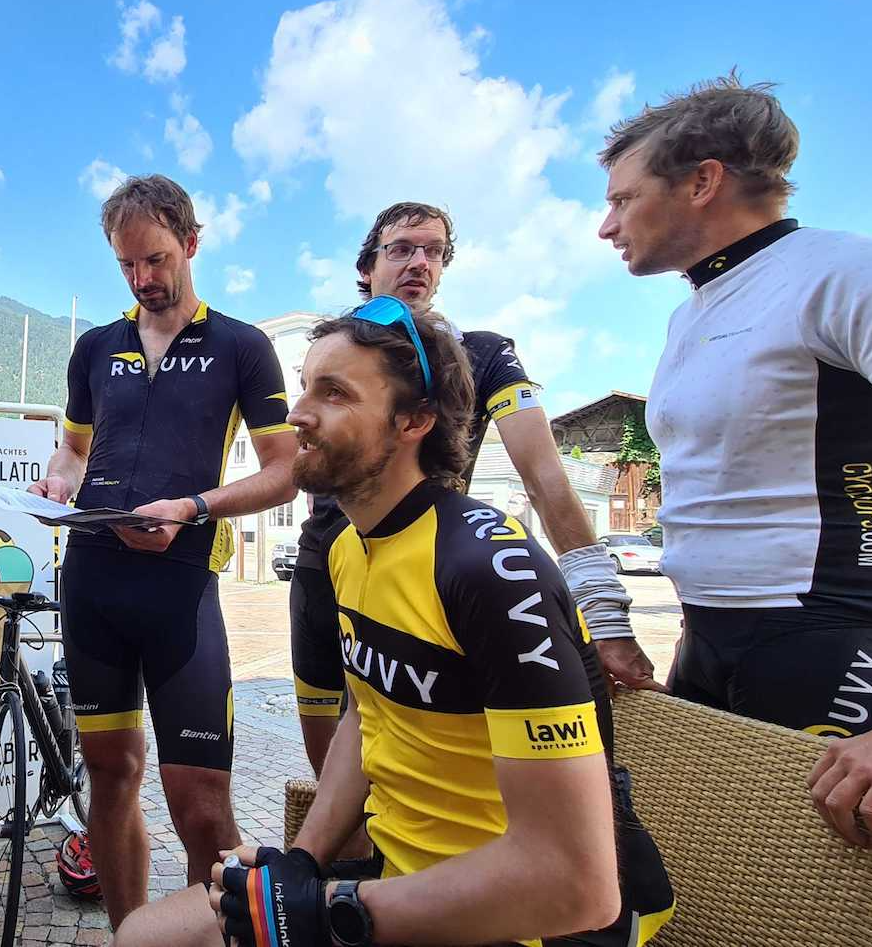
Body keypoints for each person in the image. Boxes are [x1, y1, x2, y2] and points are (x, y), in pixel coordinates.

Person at [114, 304, 673, 947]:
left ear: (414, 421)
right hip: (402, 880)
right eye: (305, 387)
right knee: (144, 935)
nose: (297, 414)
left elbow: (578, 885)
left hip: (529, 920)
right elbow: (367, 717)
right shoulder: (349, 548)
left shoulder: (487, 569)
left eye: (334, 393)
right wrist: (303, 862)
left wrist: (329, 912)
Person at [595, 74, 872, 855]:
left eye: (622, 199)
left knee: (824, 899)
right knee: (696, 882)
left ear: (701, 181)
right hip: (708, 636)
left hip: (835, 631)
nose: (605, 225)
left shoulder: (850, 272)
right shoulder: (693, 312)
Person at [291, 202, 659, 781]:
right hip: (331, 560)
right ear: (367, 267)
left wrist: (603, 614)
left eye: (434, 252)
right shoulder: (335, 348)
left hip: (432, 563)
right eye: (401, 249)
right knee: (338, 764)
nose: (420, 263)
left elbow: (544, 473)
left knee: (433, 750)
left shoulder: (481, 352)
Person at [27, 174, 297, 929]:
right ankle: (129, 937)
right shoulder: (94, 348)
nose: (142, 278)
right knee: (109, 776)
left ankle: (222, 936)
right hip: (93, 582)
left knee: (201, 804)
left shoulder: (242, 346)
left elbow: (285, 470)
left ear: (191, 242)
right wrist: (59, 479)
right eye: (126, 264)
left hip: (180, 588)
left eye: (156, 259)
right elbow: (73, 451)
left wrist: (192, 507)